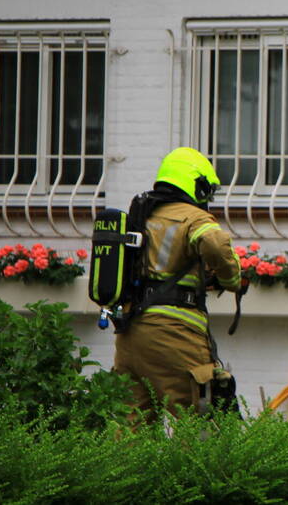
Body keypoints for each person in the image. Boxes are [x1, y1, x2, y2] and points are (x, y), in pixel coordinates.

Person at [113, 147, 242, 422]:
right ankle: (196, 467)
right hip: (174, 331)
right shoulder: (192, 216)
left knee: (130, 428)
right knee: (199, 422)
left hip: (131, 331)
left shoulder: (140, 214)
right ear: (194, 183)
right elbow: (215, 243)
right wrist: (231, 279)